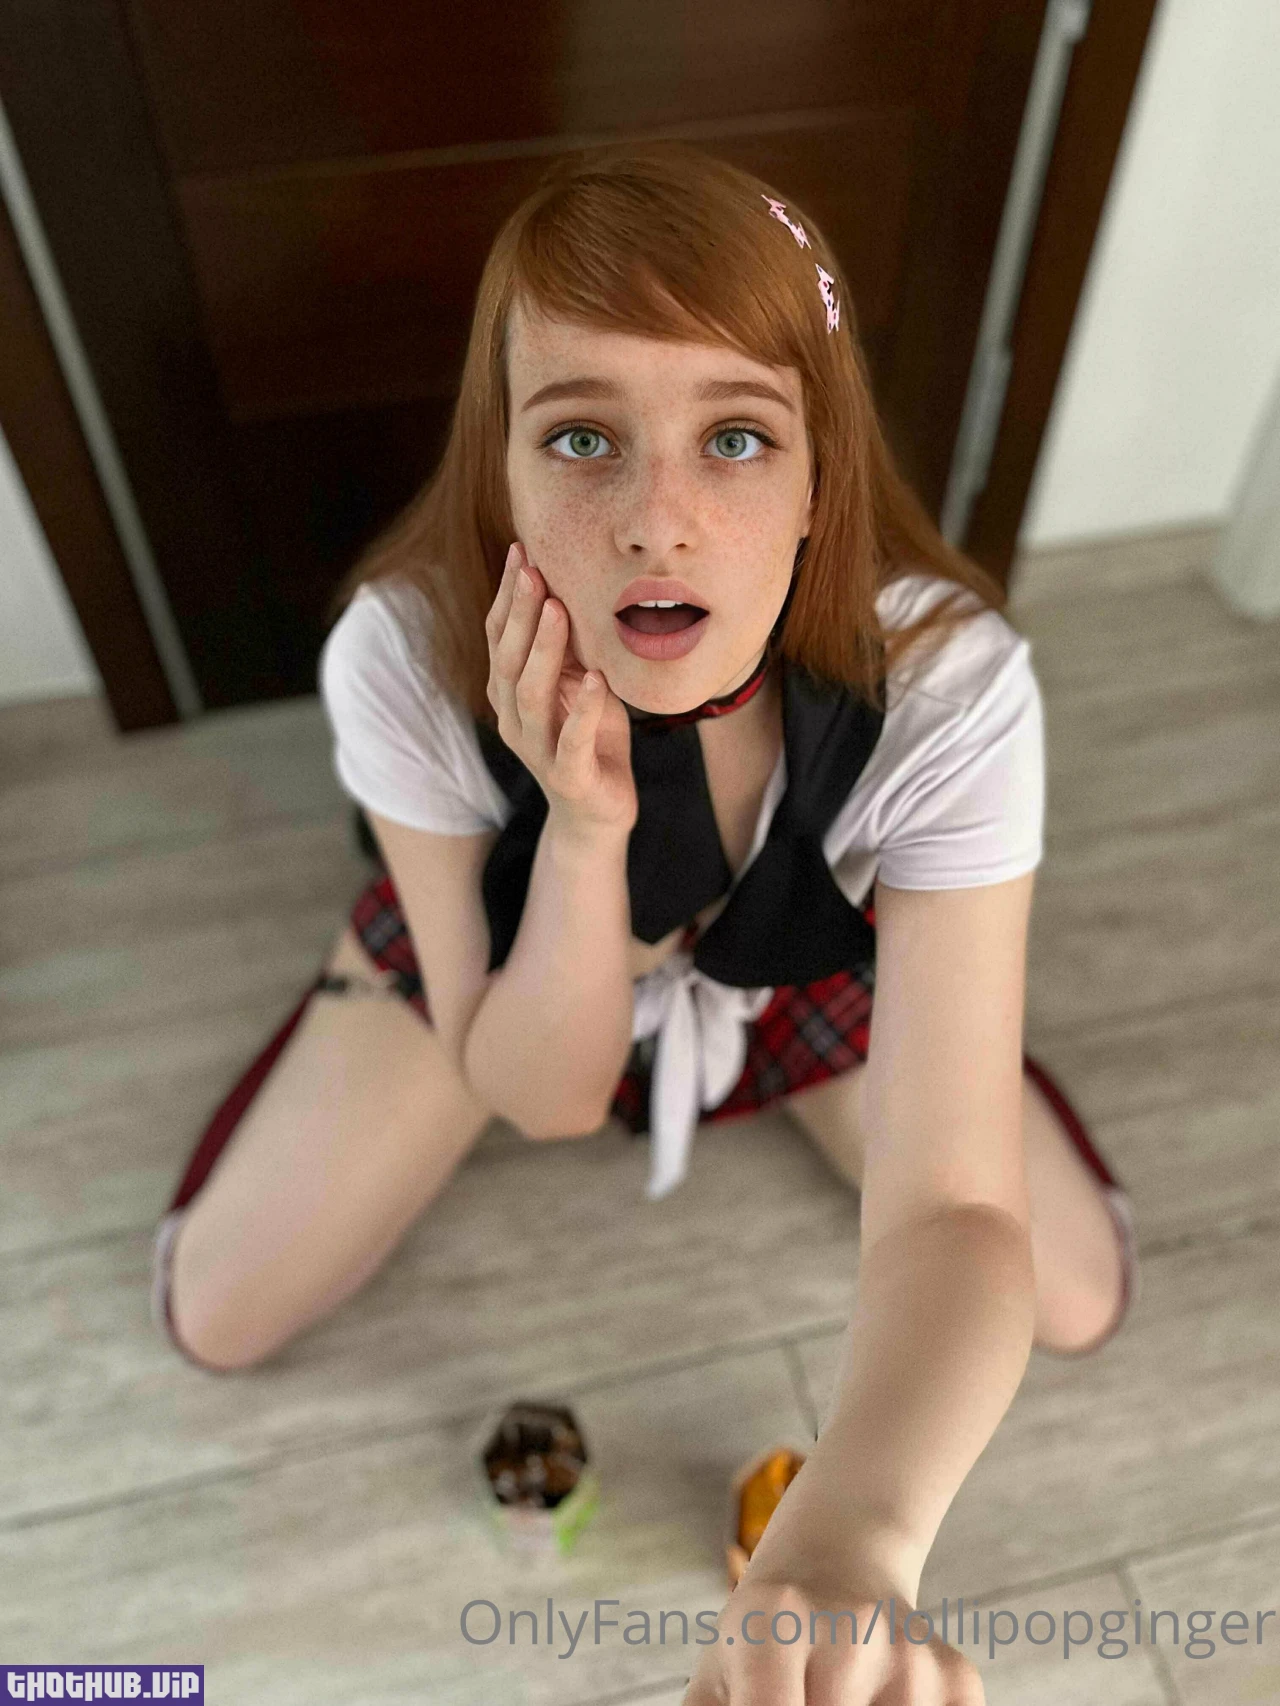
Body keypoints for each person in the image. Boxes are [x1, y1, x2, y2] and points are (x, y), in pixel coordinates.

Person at [150, 142, 1139, 1702]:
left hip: (800, 958)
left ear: (819, 482)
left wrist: (851, 1537)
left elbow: (952, 1209)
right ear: (502, 472)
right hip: (516, 955)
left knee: (1077, 1290)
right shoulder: (402, 652)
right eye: (582, 437)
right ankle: (375, 968)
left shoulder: (948, 683)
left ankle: (923, 1010)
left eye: (736, 437)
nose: (657, 520)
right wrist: (584, 831)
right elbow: (544, 1093)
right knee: (215, 1310)